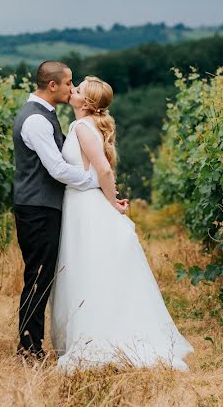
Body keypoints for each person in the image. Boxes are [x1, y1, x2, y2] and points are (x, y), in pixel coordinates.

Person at [50, 76, 193, 372]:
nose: (71, 91)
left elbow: (103, 169)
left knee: (87, 269)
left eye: (77, 90)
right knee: (91, 268)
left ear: (86, 103)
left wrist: (113, 203)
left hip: (85, 205)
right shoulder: (86, 126)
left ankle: (98, 338)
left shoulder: (80, 127)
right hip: (81, 203)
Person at [12, 61, 129, 360]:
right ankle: (29, 349)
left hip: (45, 206)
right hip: (37, 208)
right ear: (53, 85)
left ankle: (33, 345)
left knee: (44, 276)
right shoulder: (37, 120)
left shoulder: (48, 116)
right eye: (68, 83)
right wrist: (93, 183)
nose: (71, 88)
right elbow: (57, 169)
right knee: (39, 277)